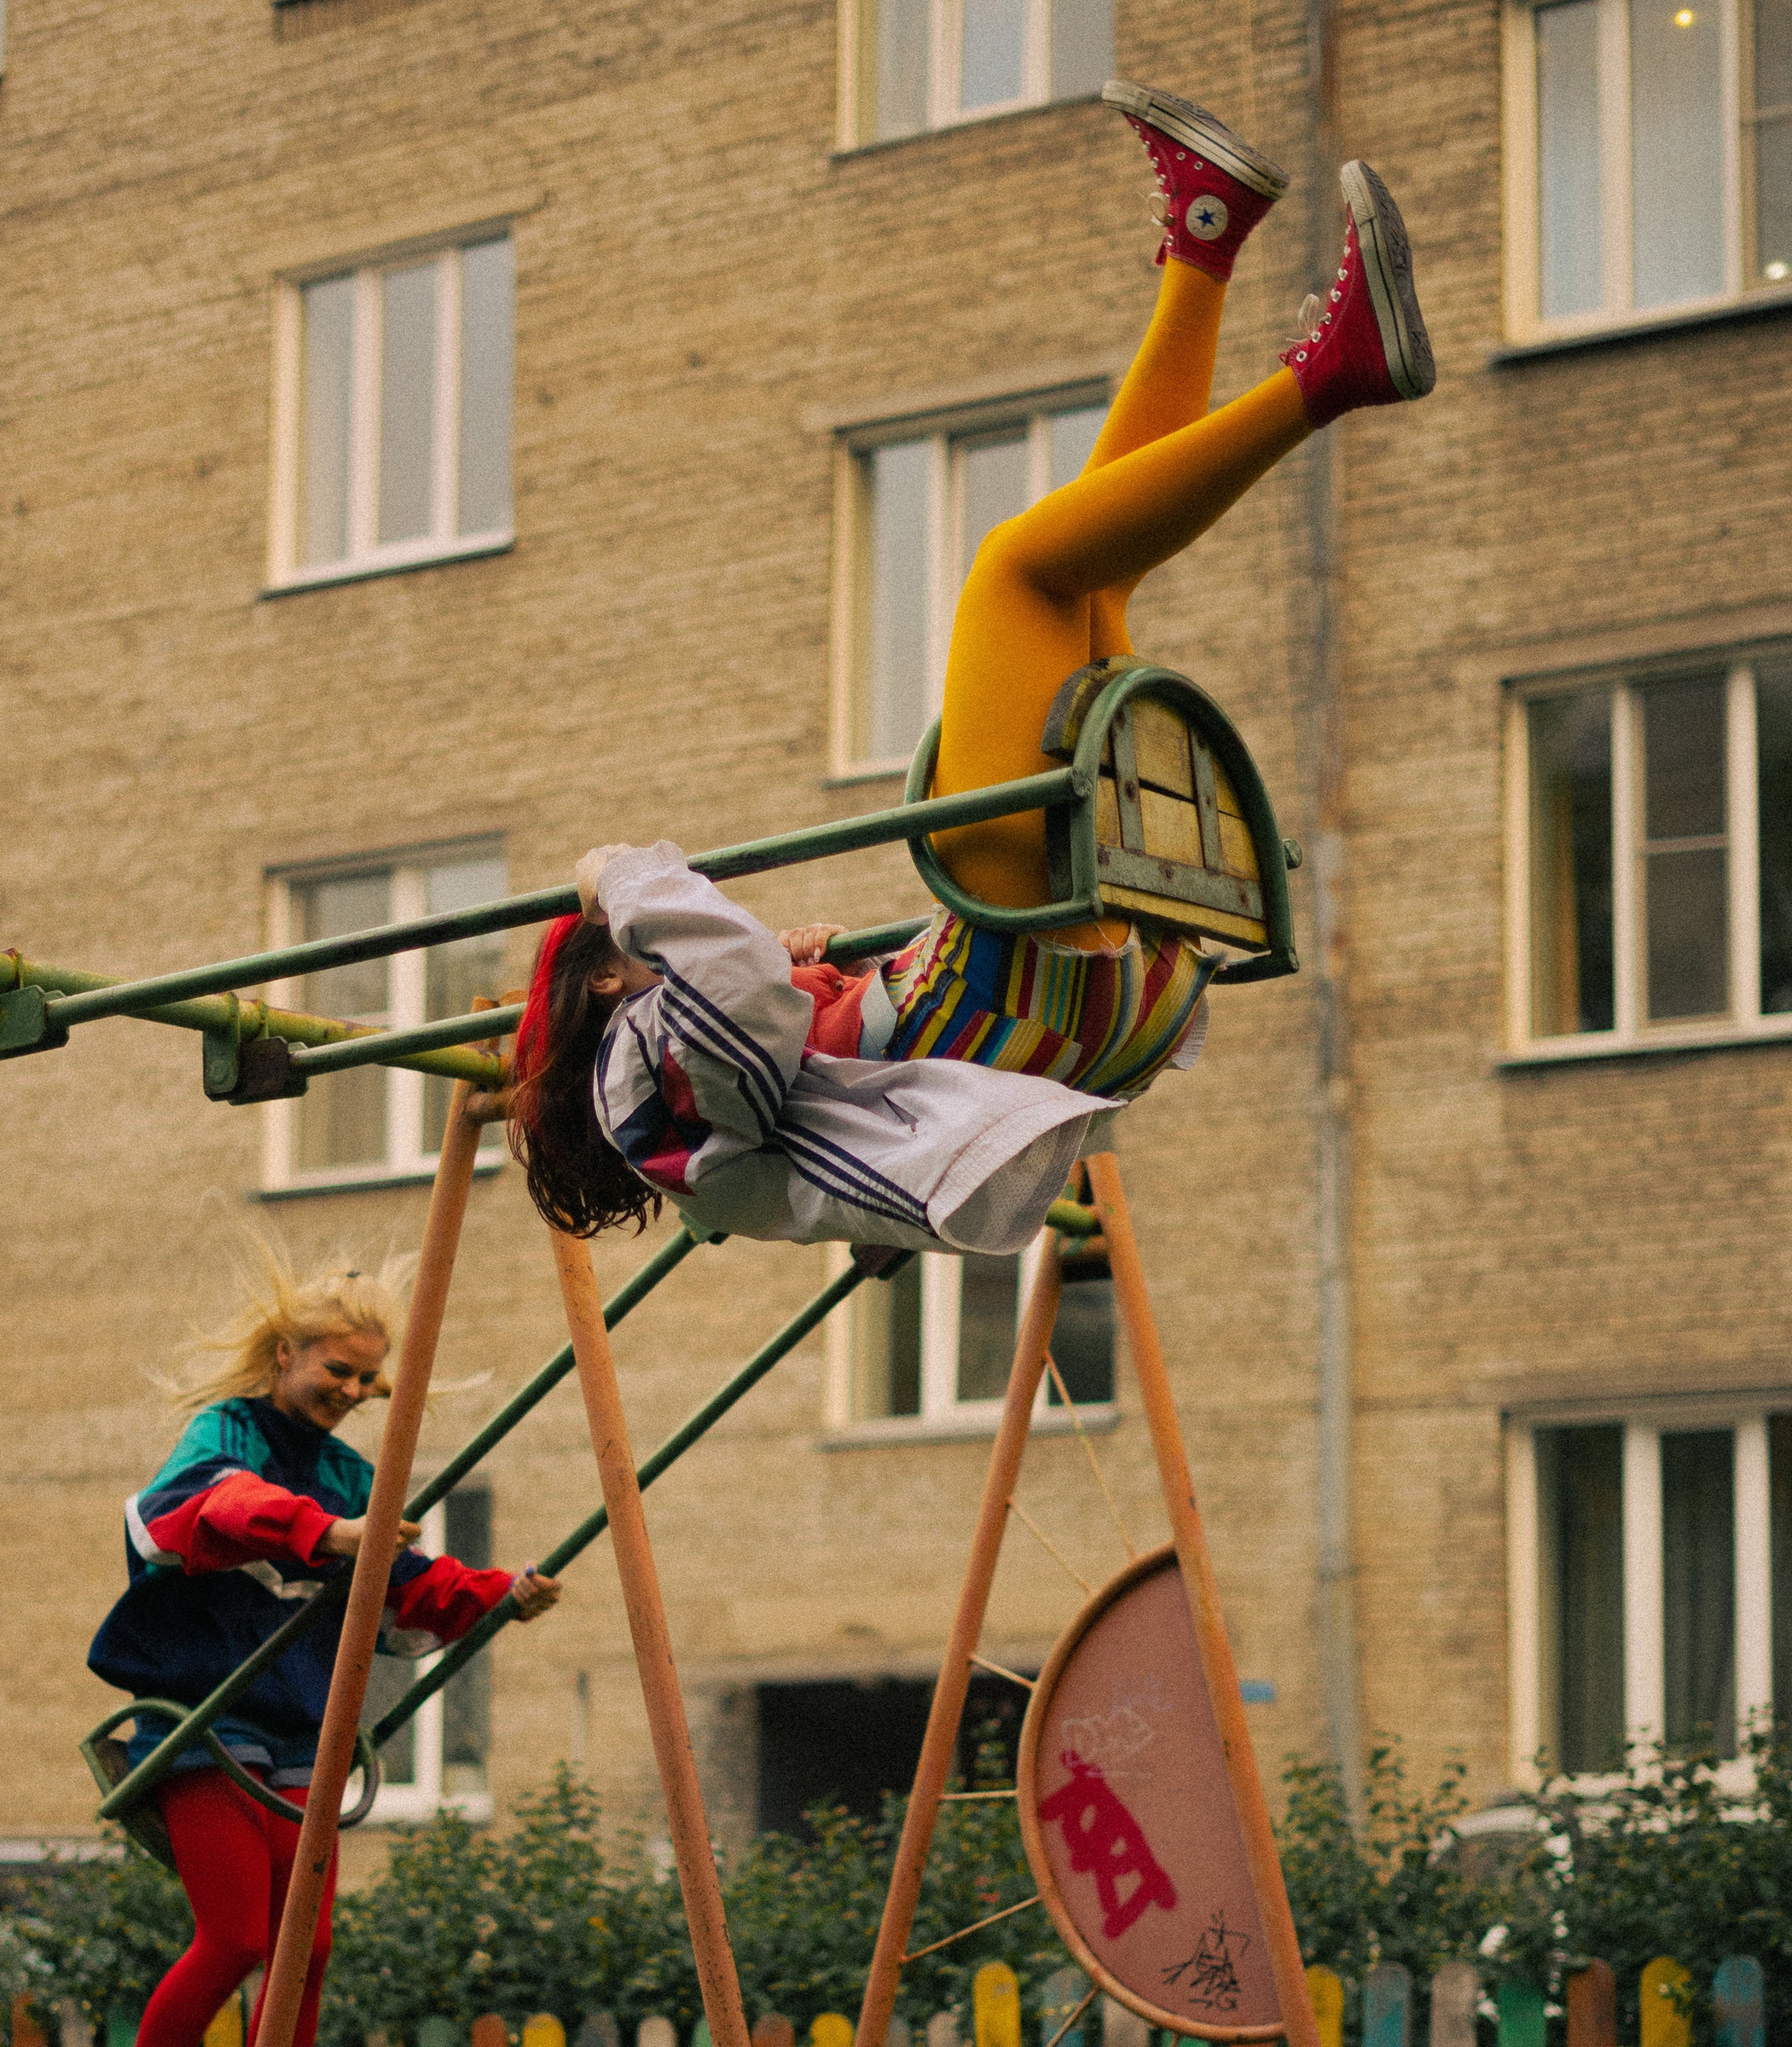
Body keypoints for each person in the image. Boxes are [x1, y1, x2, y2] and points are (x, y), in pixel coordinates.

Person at [508, 83, 1435, 1253]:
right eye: (655, 935)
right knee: (1014, 571)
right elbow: (733, 984)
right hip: (993, 1008)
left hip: (1081, 1011)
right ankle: (1333, 375)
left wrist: (798, 971)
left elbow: (757, 1009)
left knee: (1091, 580)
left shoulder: (701, 1120)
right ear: (612, 975)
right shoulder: (637, 1088)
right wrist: (628, 877)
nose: (725, 928)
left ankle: (1203, 244)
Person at [70, 1249, 560, 2047]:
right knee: (243, 1932)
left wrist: (494, 1593)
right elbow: (206, 1513)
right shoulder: (229, 1434)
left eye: (361, 1381)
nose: (345, 1394)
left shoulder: (350, 1473)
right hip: (200, 1712)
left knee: (308, 1949)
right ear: (285, 1354)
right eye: (331, 1371)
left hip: (295, 1725)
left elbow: (411, 1583)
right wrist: (322, 1535)